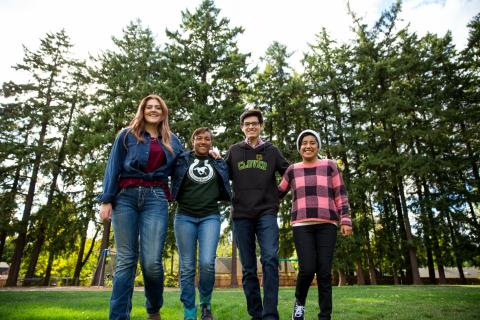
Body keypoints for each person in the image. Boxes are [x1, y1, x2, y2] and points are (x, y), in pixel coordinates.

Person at [98, 94, 184, 320]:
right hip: (125, 197)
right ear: (142, 110)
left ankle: (153, 309)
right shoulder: (126, 135)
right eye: (149, 107)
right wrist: (106, 200)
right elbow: (113, 166)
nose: (154, 110)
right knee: (126, 260)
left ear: (163, 112)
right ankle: (118, 316)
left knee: (152, 262)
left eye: (158, 107)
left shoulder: (173, 141)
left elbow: (185, 166)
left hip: (156, 198)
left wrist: (211, 154)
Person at [278, 129, 353, 320]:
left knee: (325, 272)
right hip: (301, 225)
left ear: (318, 146)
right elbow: (277, 193)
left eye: (312, 142)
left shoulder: (330, 165)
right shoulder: (292, 169)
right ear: (299, 148)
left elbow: (340, 194)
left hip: (327, 224)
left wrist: (345, 220)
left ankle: (325, 315)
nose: (308, 146)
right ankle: (299, 306)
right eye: (304, 143)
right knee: (307, 269)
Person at [226, 109, 289, 320]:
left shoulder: (271, 150)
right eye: (247, 124)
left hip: (266, 213)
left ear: (261, 126)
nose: (251, 126)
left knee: (270, 258)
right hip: (242, 214)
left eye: (255, 123)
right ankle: (256, 314)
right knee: (249, 268)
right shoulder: (234, 151)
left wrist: (277, 193)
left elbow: (289, 173)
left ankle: (270, 314)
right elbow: (221, 174)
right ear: (242, 127)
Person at [171, 127, 232, 320]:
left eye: (207, 139)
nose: (203, 142)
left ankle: (205, 303)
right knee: (187, 267)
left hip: (209, 217)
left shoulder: (218, 162)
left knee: (207, 263)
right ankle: (190, 310)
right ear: (192, 141)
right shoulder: (182, 159)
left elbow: (230, 177)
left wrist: (220, 159)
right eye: (199, 138)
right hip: (184, 217)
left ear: (211, 142)